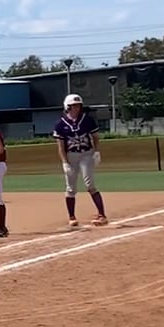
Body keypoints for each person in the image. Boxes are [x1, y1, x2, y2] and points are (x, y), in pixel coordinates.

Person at [53, 93, 108, 229]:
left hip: (86, 154)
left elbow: (95, 137)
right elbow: (61, 146)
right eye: (73, 106)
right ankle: (72, 217)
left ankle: (102, 215)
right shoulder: (60, 124)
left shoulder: (87, 120)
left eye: (78, 105)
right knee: (70, 188)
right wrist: (64, 162)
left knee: (89, 184)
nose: (76, 108)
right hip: (71, 156)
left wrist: (96, 151)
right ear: (67, 107)